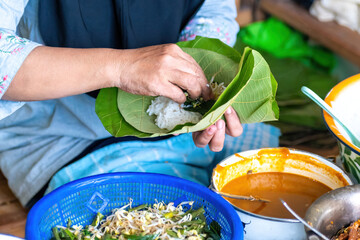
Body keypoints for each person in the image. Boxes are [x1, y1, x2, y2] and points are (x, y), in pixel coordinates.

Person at [0, 0, 281, 207]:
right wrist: (121, 67)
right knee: (151, 220)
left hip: (172, 126)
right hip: (62, 138)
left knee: (269, 186)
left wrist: (199, 93)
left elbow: (213, 8)